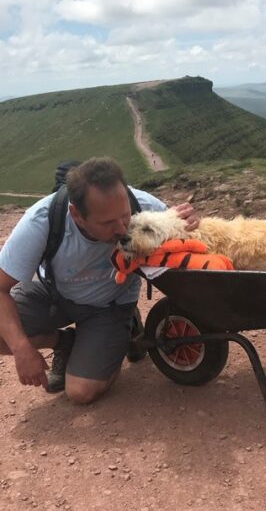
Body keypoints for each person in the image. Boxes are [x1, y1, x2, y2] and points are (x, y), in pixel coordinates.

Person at [0, 157, 198, 404]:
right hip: (55, 295)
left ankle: (125, 326)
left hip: (109, 305)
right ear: (77, 215)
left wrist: (190, 225)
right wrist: (21, 348)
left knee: (80, 393)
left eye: (125, 216)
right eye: (106, 222)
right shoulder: (42, 220)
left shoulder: (145, 205)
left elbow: (190, 244)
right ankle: (64, 342)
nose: (121, 229)